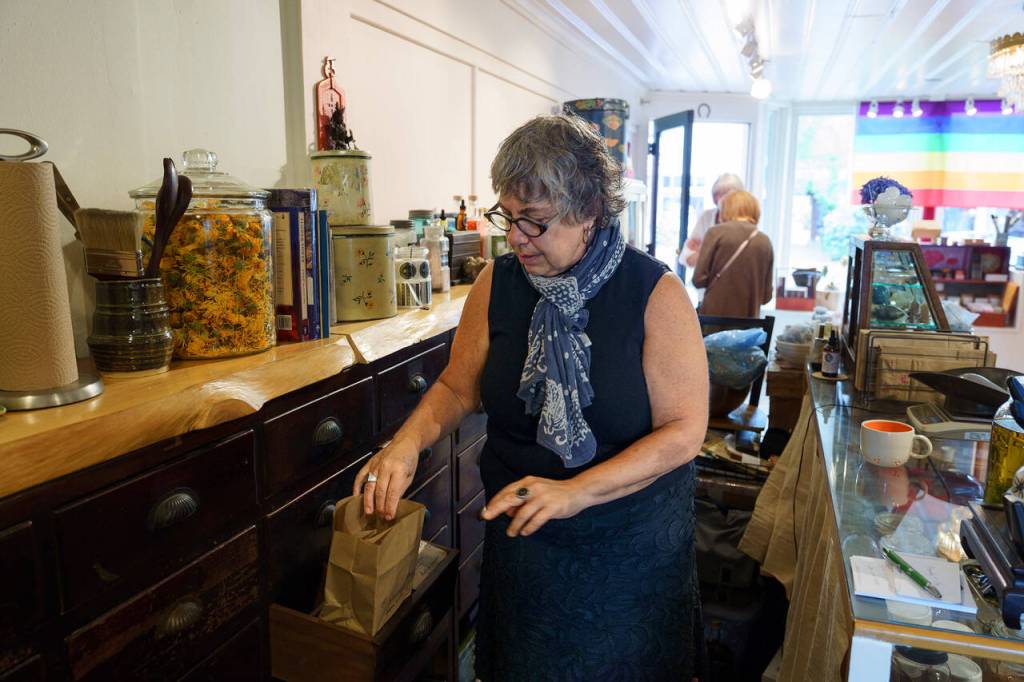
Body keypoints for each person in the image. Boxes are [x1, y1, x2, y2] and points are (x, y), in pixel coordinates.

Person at [353, 115, 709, 681]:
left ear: (590, 211)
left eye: (535, 221)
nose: (515, 236)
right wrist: (405, 443)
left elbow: (684, 432)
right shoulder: (497, 283)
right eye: (508, 215)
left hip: (628, 550)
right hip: (526, 539)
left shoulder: (655, 294)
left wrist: (575, 491)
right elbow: (457, 387)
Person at [692, 190, 774, 317]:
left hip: (714, 321)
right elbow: (766, 297)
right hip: (749, 324)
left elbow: (698, 280)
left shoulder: (715, 233)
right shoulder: (764, 241)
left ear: (726, 209)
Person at [679, 173, 744, 270]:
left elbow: (736, 260)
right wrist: (705, 253)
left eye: (727, 194)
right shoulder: (706, 216)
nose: (722, 199)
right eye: (718, 194)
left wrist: (704, 251)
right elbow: (685, 257)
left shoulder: (745, 222)